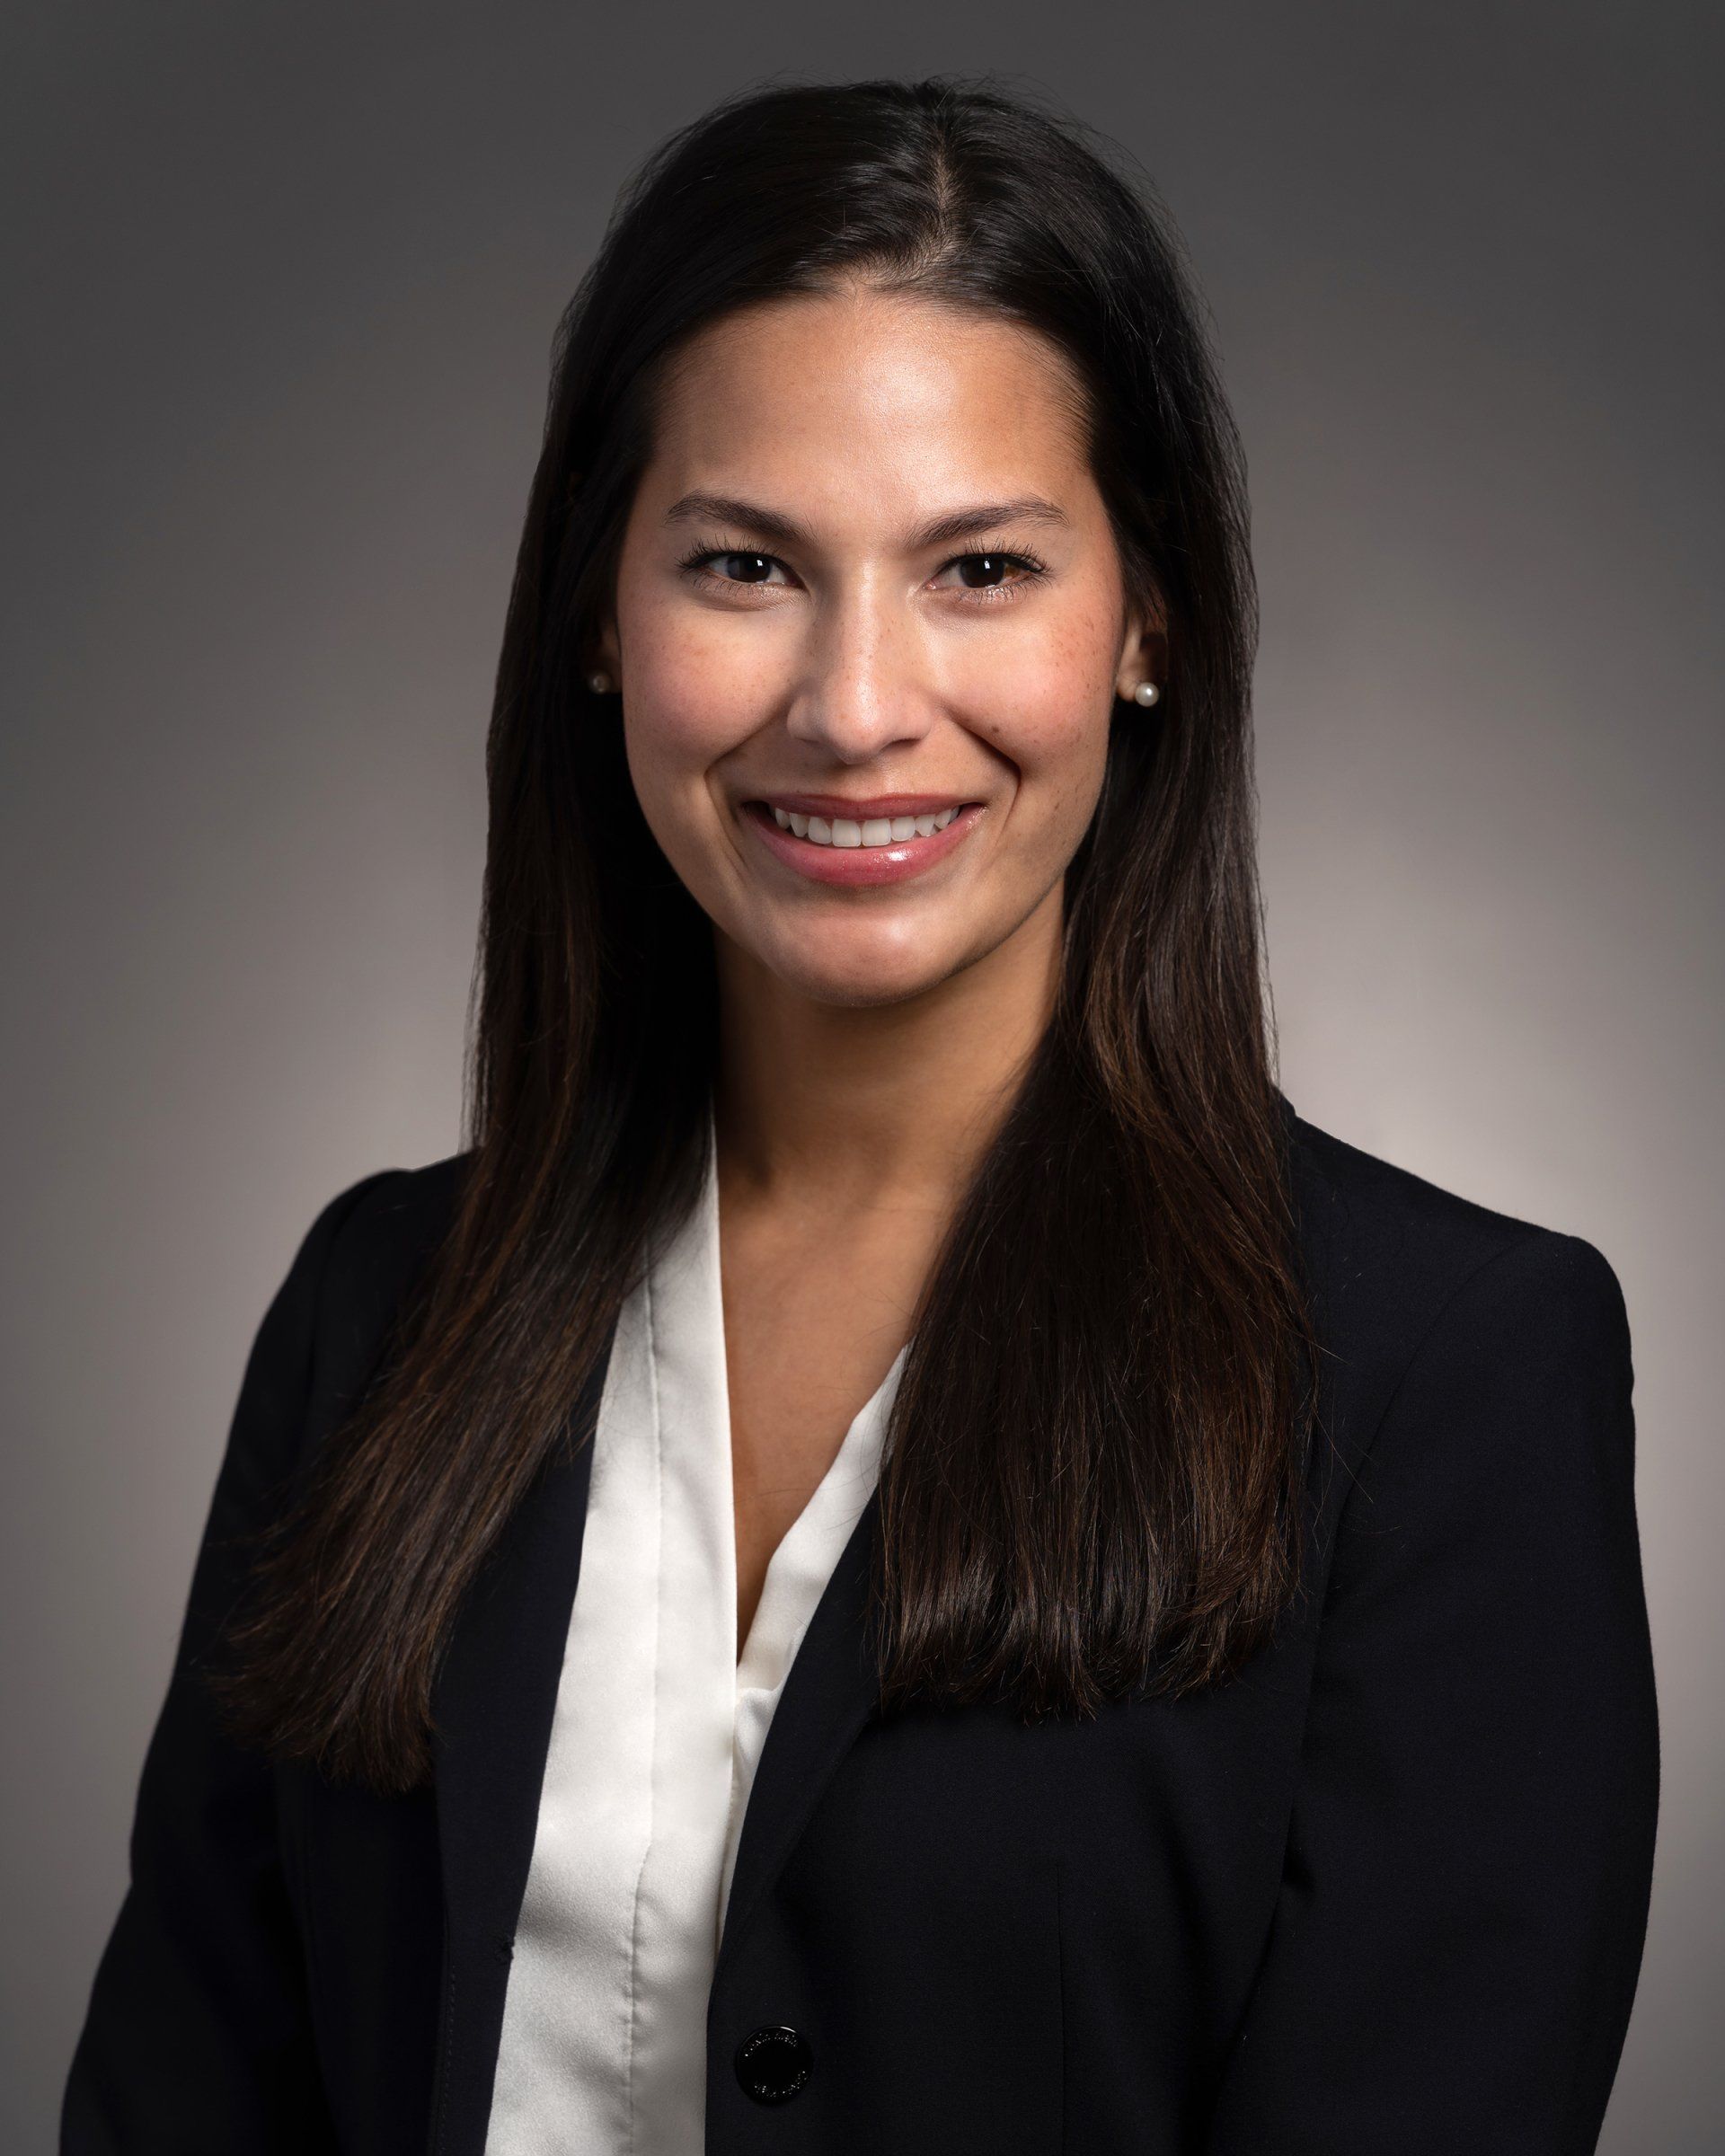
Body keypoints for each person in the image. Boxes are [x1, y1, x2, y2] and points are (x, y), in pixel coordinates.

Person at [60, 73, 1659, 2156]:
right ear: (598, 623)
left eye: (981, 569)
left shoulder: (1450, 1379)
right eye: (744, 565)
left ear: (1146, 622)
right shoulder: (377, 1310)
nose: (857, 703)